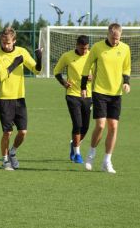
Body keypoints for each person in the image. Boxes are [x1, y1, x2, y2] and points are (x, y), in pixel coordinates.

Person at [81, 23, 131, 174]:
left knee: (114, 127)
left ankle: (107, 161)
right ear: (108, 34)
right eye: (113, 38)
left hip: (116, 94)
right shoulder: (97, 47)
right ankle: (91, 154)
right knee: (101, 125)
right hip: (100, 91)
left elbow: (126, 67)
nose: (115, 41)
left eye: (118, 38)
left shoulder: (125, 48)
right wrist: (83, 87)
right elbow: (87, 66)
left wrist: (126, 82)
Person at [0, 27, 42, 171]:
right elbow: (1, 76)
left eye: (8, 43)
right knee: (7, 132)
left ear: (14, 41)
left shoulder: (22, 51)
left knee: (23, 132)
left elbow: (37, 70)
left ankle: (12, 151)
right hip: (4, 98)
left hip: (20, 98)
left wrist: (39, 58)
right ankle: (4, 160)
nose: (5, 45)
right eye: (3, 42)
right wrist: (15, 63)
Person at [53, 35, 92, 164]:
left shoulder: (91, 56)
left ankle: (74, 144)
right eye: (82, 48)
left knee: (85, 127)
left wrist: (93, 76)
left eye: (86, 48)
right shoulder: (67, 56)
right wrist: (64, 83)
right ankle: (77, 153)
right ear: (76, 45)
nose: (84, 51)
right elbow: (57, 72)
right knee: (77, 124)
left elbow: (99, 72)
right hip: (72, 95)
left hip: (88, 95)